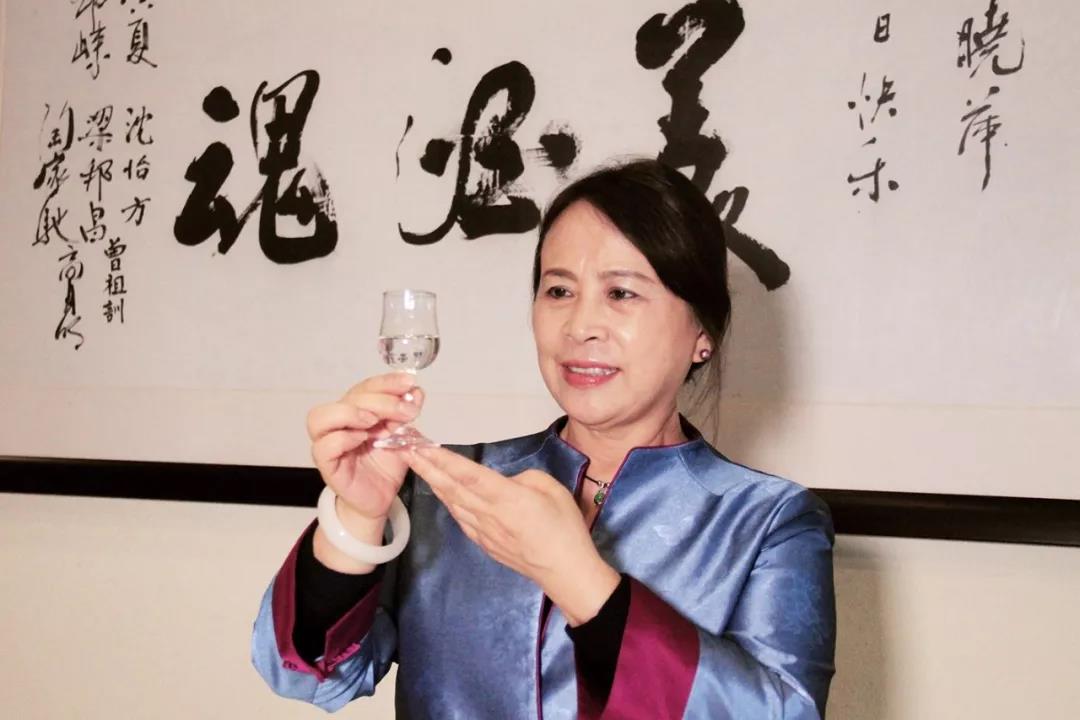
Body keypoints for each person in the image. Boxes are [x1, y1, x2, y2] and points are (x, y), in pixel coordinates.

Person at [251, 159, 836, 718]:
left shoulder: (769, 521)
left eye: (621, 293)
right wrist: (358, 516)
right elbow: (308, 675)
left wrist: (577, 578)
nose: (580, 326)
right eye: (558, 291)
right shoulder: (451, 487)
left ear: (702, 331)